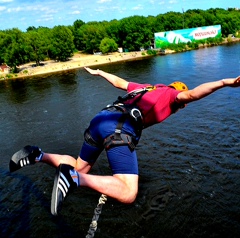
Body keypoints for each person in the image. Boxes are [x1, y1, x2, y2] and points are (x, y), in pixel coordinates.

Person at [9, 67, 240, 216]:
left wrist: (100, 72)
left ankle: (39, 155)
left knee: (79, 164)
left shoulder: (147, 88)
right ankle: (73, 179)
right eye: (183, 103)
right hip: (119, 127)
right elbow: (193, 94)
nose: (183, 105)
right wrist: (225, 82)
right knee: (129, 192)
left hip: (100, 120)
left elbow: (119, 83)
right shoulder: (172, 96)